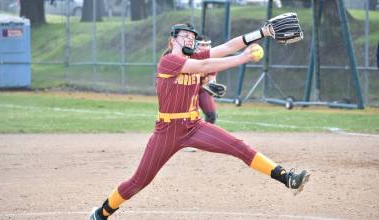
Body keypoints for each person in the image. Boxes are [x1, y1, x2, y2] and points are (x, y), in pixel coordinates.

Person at [89, 23, 310, 220]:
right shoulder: (169, 61)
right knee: (139, 181)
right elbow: (206, 67)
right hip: (168, 132)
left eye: (191, 36)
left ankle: (287, 178)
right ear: (172, 40)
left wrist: (263, 32)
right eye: (184, 35)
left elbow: (228, 47)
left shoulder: (194, 57)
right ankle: (102, 213)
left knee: (239, 146)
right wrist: (243, 58)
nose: (189, 39)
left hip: (194, 126)